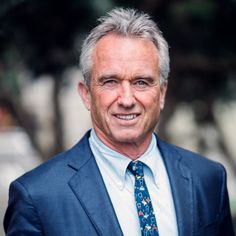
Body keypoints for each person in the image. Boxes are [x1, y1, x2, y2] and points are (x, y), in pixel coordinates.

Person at [4, 8, 235, 236]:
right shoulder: (37, 197)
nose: (126, 99)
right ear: (86, 94)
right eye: (111, 81)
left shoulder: (208, 180)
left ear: (162, 93)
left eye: (142, 82)